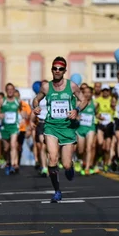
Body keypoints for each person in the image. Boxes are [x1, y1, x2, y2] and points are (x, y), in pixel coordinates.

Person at [32, 57, 87, 203]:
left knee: (66, 164)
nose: (57, 71)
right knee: (53, 159)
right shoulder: (46, 87)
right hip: (51, 126)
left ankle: (70, 167)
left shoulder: (72, 86)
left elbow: (84, 100)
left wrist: (76, 110)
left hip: (67, 127)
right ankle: (57, 191)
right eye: (55, 68)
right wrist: (35, 107)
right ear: (51, 70)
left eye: (60, 69)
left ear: (64, 71)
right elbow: (36, 99)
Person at [0, 83, 26, 175]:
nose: (10, 91)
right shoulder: (2, 101)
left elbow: (21, 111)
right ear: (6, 90)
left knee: (13, 145)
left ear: (14, 90)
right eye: (8, 89)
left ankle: (12, 165)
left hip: (14, 127)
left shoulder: (17, 101)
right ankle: (8, 162)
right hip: (5, 127)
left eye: (12, 89)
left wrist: (23, 115)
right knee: (6, 148)